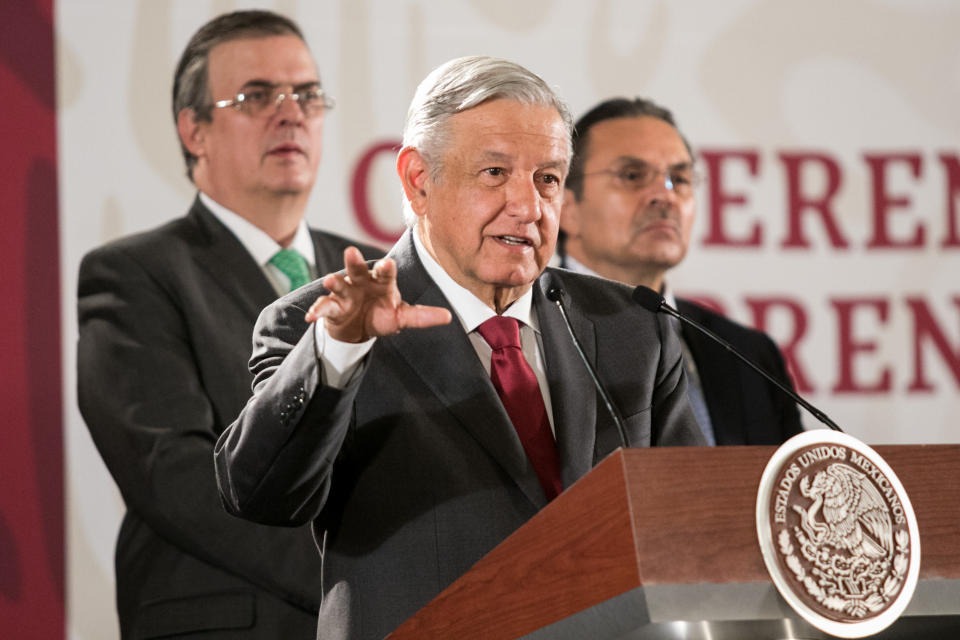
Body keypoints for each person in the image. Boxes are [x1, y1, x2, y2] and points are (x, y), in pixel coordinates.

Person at [214, 56, 704, 640]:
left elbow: (692, 527)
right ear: (419, 180)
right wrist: (337, 351)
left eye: (548, 178)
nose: (528, 206)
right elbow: (263, 495)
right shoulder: (323, 324)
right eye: (495, 172)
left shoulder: (632, 327)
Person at [77, 10, 383, 639]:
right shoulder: (133, 274)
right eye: (257, 96)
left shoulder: (372, 275)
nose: (291, 113)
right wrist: (364, 580)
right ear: (195, 130)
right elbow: (176, 478)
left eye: (306, 94)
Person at [557, 97, 804, 445]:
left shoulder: (750, 356)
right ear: (565, 208)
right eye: (632, 176)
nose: (665, 195)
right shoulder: (528, 336)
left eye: (680, 178)